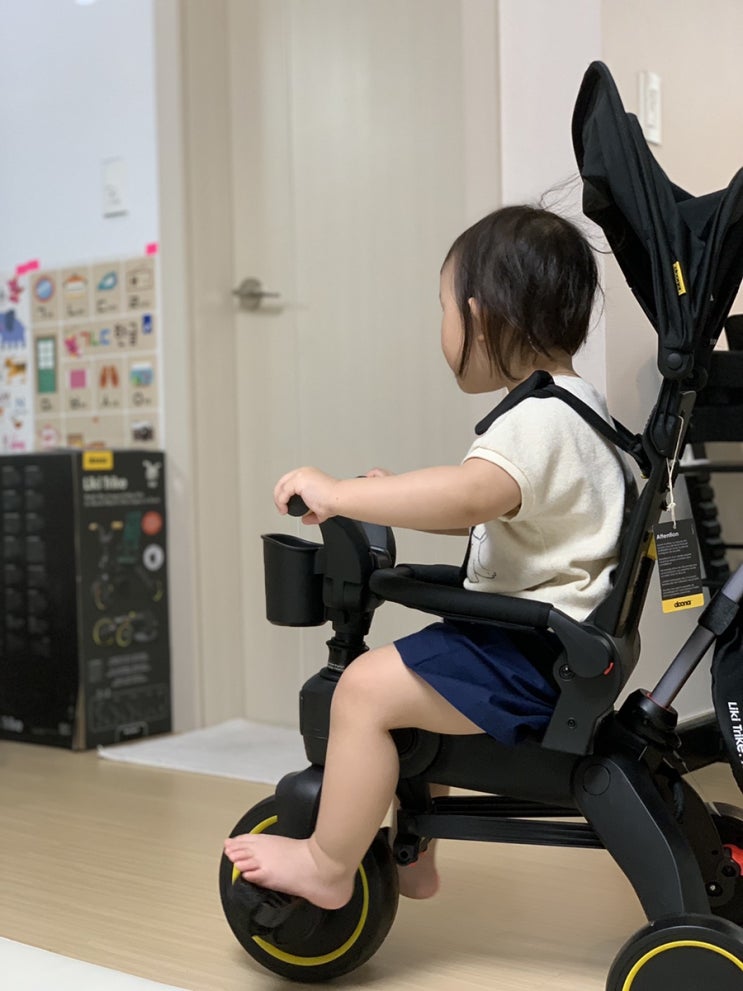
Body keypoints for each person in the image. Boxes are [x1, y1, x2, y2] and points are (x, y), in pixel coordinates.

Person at [224, 205, 628, 910]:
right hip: (555, 647)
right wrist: (387, 498)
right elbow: (502, 514)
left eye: (442, 307)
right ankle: (414, 857)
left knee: (363, 691)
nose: (441, 324)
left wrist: (339, 491)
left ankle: (326, 864)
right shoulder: (581, 412)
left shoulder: (537, 419)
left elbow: (468, 495)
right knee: (411, 690)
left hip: (526, 654)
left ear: (479, 316)